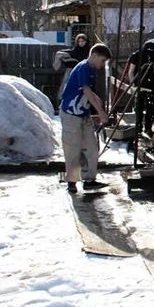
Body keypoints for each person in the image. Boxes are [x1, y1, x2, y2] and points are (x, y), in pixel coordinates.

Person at [60, 43, 111, 194]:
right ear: (94, 56)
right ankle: (72, 182)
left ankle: (89, 180)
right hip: (71, 115)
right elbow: (86, 91)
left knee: (92, 146)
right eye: (102, 61)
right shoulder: (83, 68)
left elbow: (87, 91)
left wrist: (96, 99)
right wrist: (101, 112)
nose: (102, 65)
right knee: (73, 149)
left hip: (83, 113)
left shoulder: (90, 69)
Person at [126, 41, 154, 135]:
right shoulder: (146, 55)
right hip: (145, 84)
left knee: (144, 106)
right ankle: (143, 127)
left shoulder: (142, 55)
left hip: (145, 84)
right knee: (145, 106)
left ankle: (143, 127)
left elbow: (131, 71)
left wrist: (132, 84)